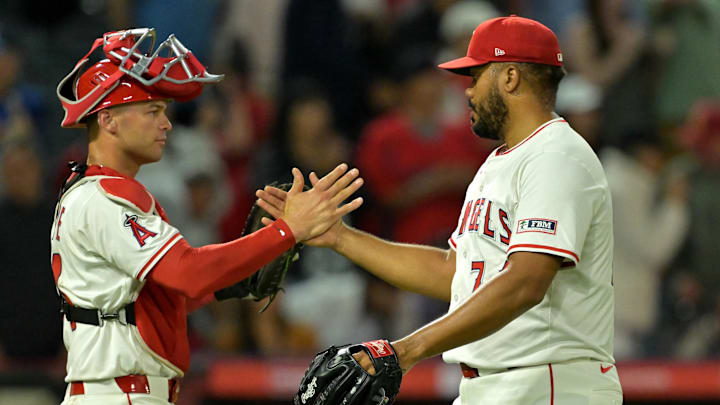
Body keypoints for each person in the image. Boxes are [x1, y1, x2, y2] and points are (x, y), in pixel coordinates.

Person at [259, 16, 623, 404]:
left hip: (548, 382)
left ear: (511, 78)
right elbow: (456, 273)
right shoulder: (499, 164)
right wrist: (341, 238)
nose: (466, 91)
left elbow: (525, 283)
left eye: (475, 76)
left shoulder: (556, 156)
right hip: (499, 383)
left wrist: (407, 349)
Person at [51, 28, 364, 405]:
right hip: (118, 393)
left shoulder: (97, 192)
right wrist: (286, 231)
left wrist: (230, 282)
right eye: (153, 111)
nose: (166, 123)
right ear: (109, 120)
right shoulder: (103, 198)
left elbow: (156, 300)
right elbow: (186, 272)